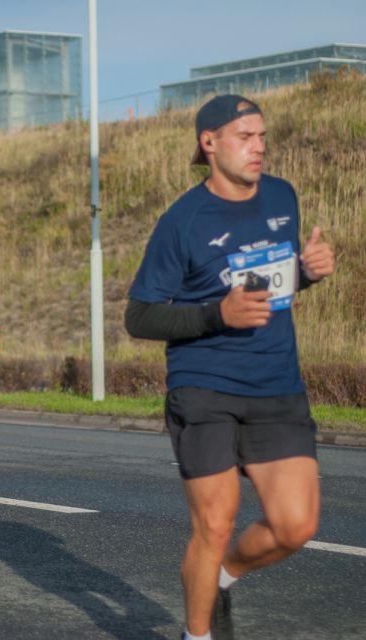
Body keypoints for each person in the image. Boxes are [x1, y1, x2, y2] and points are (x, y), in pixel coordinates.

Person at [125, 95, 335, 640]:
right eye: (246, 136)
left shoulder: (283, 196)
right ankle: (197, 635)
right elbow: (140, 315)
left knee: (295, 526)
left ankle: (221, 577)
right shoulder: (183, 221)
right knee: (215, 524)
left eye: (262, 135)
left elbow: (269, 282)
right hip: (205, 387)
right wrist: (217, 315)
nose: (259, 146)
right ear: (210, 142)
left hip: (276, 385)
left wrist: (306, 272)